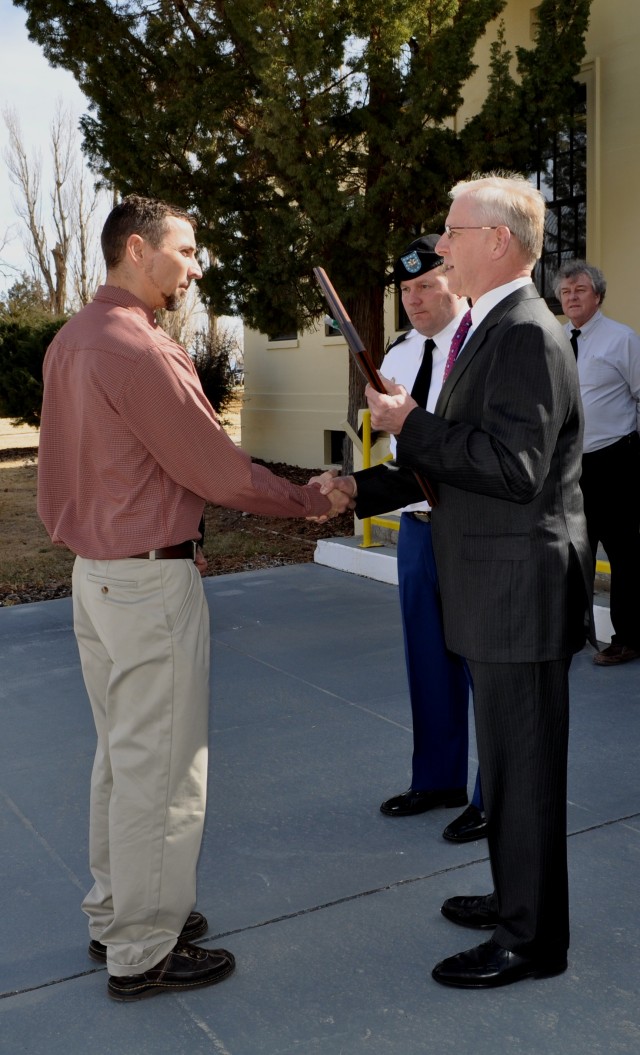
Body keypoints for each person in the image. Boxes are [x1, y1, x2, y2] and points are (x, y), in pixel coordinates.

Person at [37, 195, 349, 1002]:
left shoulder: (73, 341)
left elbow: (88, 472)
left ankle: (120, 913)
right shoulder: (137, 348)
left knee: (123, 756)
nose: (196, 266)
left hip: (98, 576)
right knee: (164, 769)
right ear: (136, 250)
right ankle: (144, 946)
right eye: (185, 250)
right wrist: (309, 499)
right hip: (144, 581)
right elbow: (214, 469)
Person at [321, 174, 593, 988]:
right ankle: (519, 896)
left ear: (499, 240)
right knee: (508, 766)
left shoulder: (525, 334)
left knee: (525, 769)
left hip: (518, 590)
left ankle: (531, 939)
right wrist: (356, 487)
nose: (442, 245)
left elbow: (510, 469)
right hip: (495, 583)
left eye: (453, 230)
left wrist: (413, 424)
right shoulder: (490, 327)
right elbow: (452, 465)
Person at [355, 235, 487, 842]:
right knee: (427, 660)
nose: (413, 299)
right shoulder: (400, 356)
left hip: (473, 531)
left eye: (426, 285)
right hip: (416, 526)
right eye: (405, 290)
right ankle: (437, 779)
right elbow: (394, 450)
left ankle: (494, 795)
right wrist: (354, 486)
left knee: (487, 669)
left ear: (454, 281)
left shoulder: (484, 343)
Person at [555, 261, 640, 666]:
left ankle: (629, 637)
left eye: (581, 290)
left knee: (625, 554)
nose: (572, 297)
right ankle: (573, 631)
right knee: (572, 552)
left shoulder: (622, 339)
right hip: (569, 466)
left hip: (615, 462)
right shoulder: (554, 339)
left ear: (599, 296)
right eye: (566, 291)